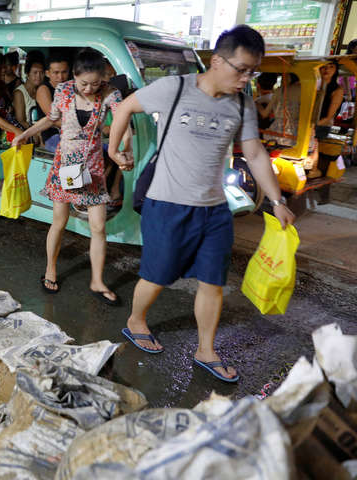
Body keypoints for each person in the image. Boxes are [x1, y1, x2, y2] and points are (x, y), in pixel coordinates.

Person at [108, 25, 295, 383]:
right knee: (157, 274)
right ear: (216, 61)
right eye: (241, 69)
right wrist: (116, 151)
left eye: (252, 72)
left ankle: (205, 350)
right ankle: (136, 321)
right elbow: (124, 108)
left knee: (213, 281)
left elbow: (254, 152)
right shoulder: (174, 88)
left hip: (214, 210)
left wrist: (276, 200)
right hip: (167, 204)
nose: (246, 78)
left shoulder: (242, 103)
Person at [12, 47, 128, 305]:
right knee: (59, 221)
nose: (89, 88)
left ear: (103, 79)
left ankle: (97, 281)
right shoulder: (63, 91)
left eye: (95, 83)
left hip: (93, 169)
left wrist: (121, 150)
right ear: (74, 77)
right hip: (65, 167)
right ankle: (50, 269)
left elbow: (122, 121)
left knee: (98, 226)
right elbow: (50, 120)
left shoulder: (110, 93)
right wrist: (24, 135)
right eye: (84, 83)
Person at [35, 53, 70, 152]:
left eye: (64, 72)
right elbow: (54, 120)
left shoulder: (70, 88)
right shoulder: (43, 89)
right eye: (56, 72)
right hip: (52, 137)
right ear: (47, 73)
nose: (61, 77)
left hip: (71, 134)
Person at [0, 54, 24, 142]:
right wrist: (16, 131)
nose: (4, 70)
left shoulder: (0, 85)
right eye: (1, 67)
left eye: (4, 67)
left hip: (9, 123)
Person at [13, 53, 44, 133]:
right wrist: (36, 133)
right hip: (30, 133)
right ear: (27, 74)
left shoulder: (42, 90)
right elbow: (21, 121)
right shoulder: (19, 93)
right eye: (35, 72)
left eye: (41, 73)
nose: (39, 76)